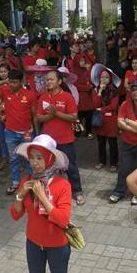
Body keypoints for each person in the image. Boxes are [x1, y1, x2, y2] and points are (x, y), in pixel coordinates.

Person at [10, 134, 74, 273]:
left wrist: (42, 197)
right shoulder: (26, 181)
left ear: (50, 159)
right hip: (34, 242)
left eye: (39, 158)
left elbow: (62, 219)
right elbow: (15, 214)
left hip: (57, 244)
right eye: (32, 157)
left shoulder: (62, 185)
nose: (35, 163)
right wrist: (20, 195)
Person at [35, 69, 84, 204]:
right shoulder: (43, 97)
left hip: (65, 139)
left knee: (71, 167)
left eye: (51, 79)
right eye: (47, 80)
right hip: (48, 142)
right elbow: (39, 117)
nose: (48, 82)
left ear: (60, 81)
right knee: (49, 168)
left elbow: (74, 117)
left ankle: (77, 192)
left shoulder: (67, 97)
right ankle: (51, 193)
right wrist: (49, 116)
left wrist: (56, 114)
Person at [0, 69, 36, 195]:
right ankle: (15, 182)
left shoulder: (30, 95)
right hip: (10, 132)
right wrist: (5, 80)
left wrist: (37, 131)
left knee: (28, 159)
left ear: (21, 82)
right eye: (11, 82)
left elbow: (34, 115)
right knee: (13, 159)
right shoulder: (5, 91)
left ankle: (31, 183)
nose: (12, 85)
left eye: (15, 82)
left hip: (27, 133)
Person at [110, 79, 137, 205]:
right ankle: (119, 192)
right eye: (133, 90)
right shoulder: (125, 104)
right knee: (124, 168)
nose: (135, 92)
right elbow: (119, 123)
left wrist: (128, 121)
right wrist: (136, 127)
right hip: (126, 142)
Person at [92, 64, 120, 170]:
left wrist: (101, 109)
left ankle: (114, 163)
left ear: (110, 78)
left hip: (111, 120)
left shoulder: (114, 90)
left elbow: (113, 106)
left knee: (112, 143)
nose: (104, 79)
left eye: (106, 77)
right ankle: (101, 161)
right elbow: (95, 104)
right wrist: (99, 92)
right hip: (100, 120)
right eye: (102, 77)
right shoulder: (96, 90)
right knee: (101, 142)